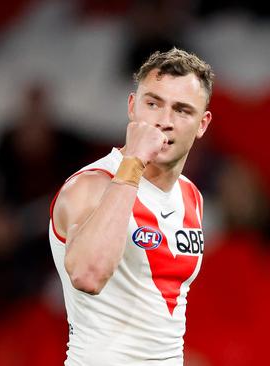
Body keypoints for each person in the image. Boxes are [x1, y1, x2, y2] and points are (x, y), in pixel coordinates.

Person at [49, 48, 213, 365]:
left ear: (202, 123)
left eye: (181, 110)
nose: (164, 121)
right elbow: (89, 274)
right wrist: (133, 162)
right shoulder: (90, 185)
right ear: (131, 107)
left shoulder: (191, 195)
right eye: (153, 104)